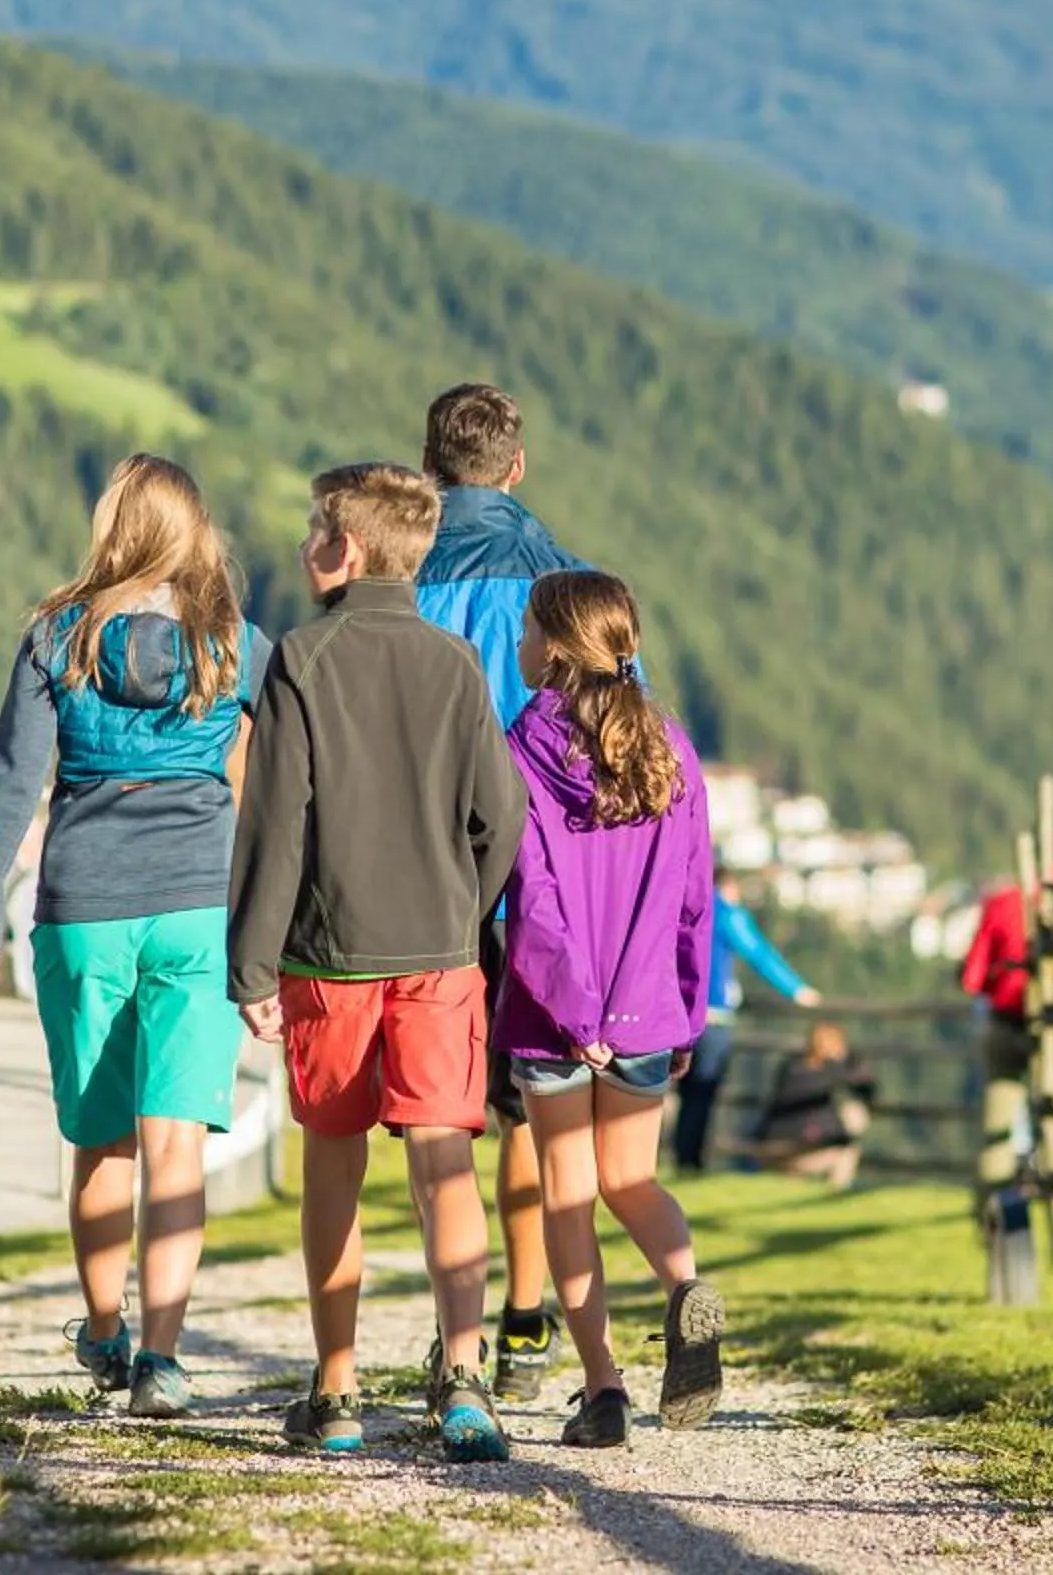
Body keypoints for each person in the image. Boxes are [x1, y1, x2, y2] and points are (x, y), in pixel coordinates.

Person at [0, 455, 268, 1420]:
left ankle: (102, 1332)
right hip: (200, 908)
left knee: (101, 1144)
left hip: (84, 907)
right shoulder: (234, 645)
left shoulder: (58, 639)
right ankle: (162, 1362)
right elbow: (292, 779)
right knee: (177, 1146)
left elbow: (15, 781)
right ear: (193, 534)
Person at [229, 461, 529, 1463]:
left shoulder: (302, 660)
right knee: (446, 1162)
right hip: (439, 954)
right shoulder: (454, 663)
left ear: (346, 549)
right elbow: (504, 814)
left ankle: (338, 1384)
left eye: (317, 525)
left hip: (330, 952)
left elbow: (276, 828)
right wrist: (463, 903)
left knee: (335, 1165)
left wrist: (253, 967)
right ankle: (465, 1374)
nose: (306, 542)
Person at [496, 570, 725, 1449]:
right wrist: (684, 1011)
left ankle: (602, 1390)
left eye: (525, 630)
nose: (517, 645)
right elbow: (694, 894)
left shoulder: (526, 745)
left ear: (555, 647)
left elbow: (537, 895)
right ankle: (681, 1289)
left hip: (558, 1020)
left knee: (568, 1195)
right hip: (647, 1009)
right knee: (633, 1178)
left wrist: (574, 1012)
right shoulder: (671, 746)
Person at [412, 381, 592, 1400]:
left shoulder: (399, 575)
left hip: (431, 871)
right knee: (532, 1101)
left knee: (439, 1102)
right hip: (540, 876)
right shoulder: (566, 581)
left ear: (430, 467)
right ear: (516, 467)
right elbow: (613, 731)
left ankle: (459, 1333)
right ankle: (530, 1315)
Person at [673, 868, 823, 1174]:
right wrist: (796, 989)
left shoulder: (680, 905)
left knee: (681, 1090)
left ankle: (676, 1157)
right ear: (728, 886)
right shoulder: (725, 912)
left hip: (677, 1014)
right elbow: (758, 952)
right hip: (713, 1017)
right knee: (703, 1090)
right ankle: (690, 1161)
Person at [961, 879, 1035, 1189]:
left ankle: (996, 1215)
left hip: (1007, 1021)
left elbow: (972, 979)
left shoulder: (1005, 901)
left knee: (999, 1125)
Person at [745, 1020, 877, 1190]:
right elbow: (866, 1088)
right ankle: (834, 1193)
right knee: (848, 1151)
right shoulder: (833, 1071)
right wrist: (846, 1060)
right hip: (802, 1149)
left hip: (768, 1146)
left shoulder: (790, 1065)